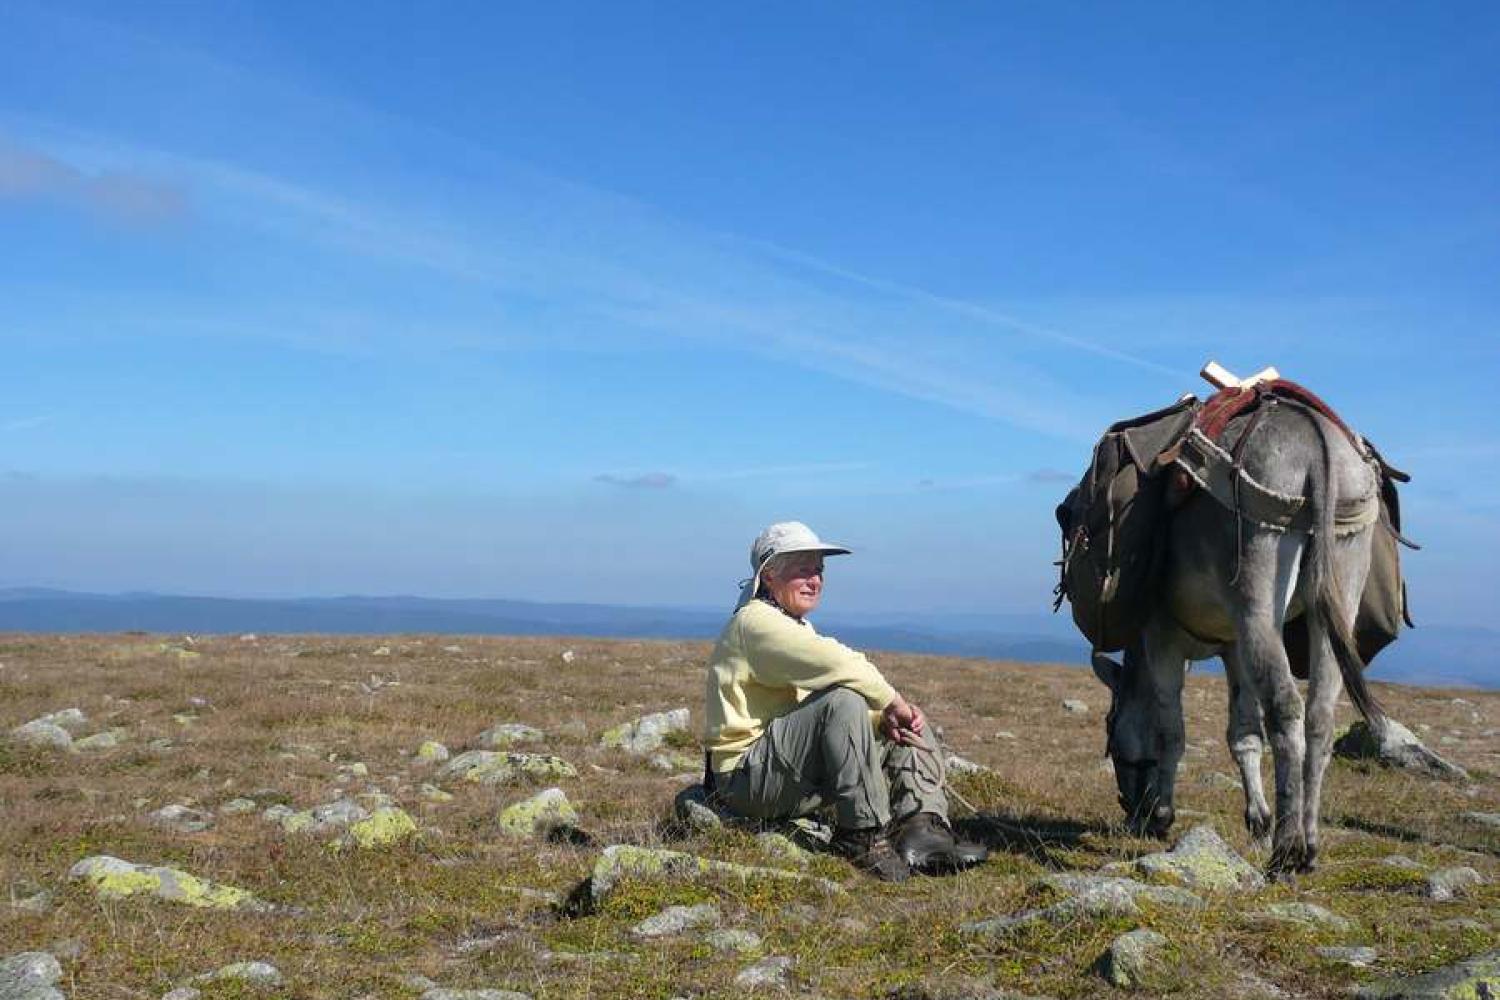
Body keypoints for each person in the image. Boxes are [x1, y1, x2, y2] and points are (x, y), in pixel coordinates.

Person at [702, 521, 988, 882]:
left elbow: (813, 710)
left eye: (818, 570)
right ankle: (861, 836)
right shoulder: (756, 622)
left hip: (779, 773)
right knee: (848, 699)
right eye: (802, 569)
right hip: (745, 780)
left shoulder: (788, 626)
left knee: (898, 718)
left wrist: (885, 721)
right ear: (769, 575)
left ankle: (923, 831)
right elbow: (838, 665)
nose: (815, 579)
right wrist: (891, 701)